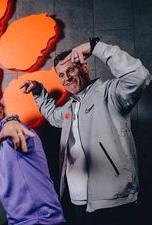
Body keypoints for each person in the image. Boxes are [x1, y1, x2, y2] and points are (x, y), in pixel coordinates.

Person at [20, 38, 151, 225]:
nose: (67, 78)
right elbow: (52, 114)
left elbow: (139, 76)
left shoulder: (109, 93)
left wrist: (95, 47)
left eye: (71, 70)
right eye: (61, 75)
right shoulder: (69, 108)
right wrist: (38, 91)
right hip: (77, 202)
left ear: (85, 68)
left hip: (112, 200)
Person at [0, 95, 65, 225]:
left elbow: (13, 129)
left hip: (42, 219)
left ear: (0, 112)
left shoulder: (17, 134)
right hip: (18, 221)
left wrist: (11, 121)